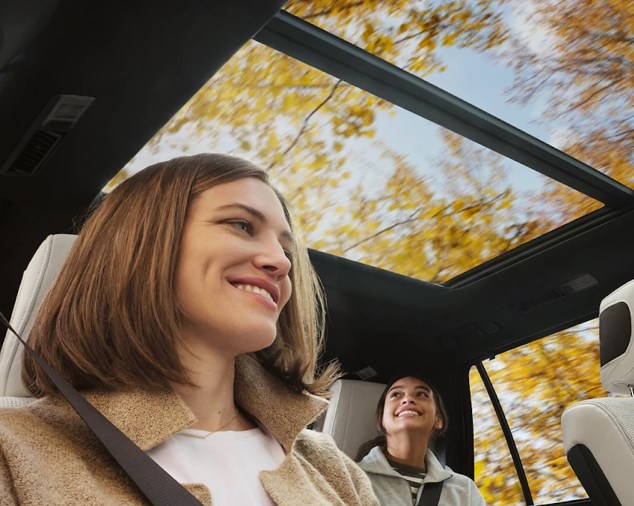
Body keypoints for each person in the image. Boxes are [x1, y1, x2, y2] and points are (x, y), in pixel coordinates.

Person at [0, 154, 378, 505]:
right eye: (242, 225)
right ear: (139, 243)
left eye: (288, 251)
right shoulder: (12, 448)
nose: (280, 262)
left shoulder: (332, 467)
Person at [356, 375, 486, 505]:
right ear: (382, 420)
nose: (408, 399)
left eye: (421, 394)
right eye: (396, 394)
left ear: (438, 420)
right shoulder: (352, 480)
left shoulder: (465, 490)